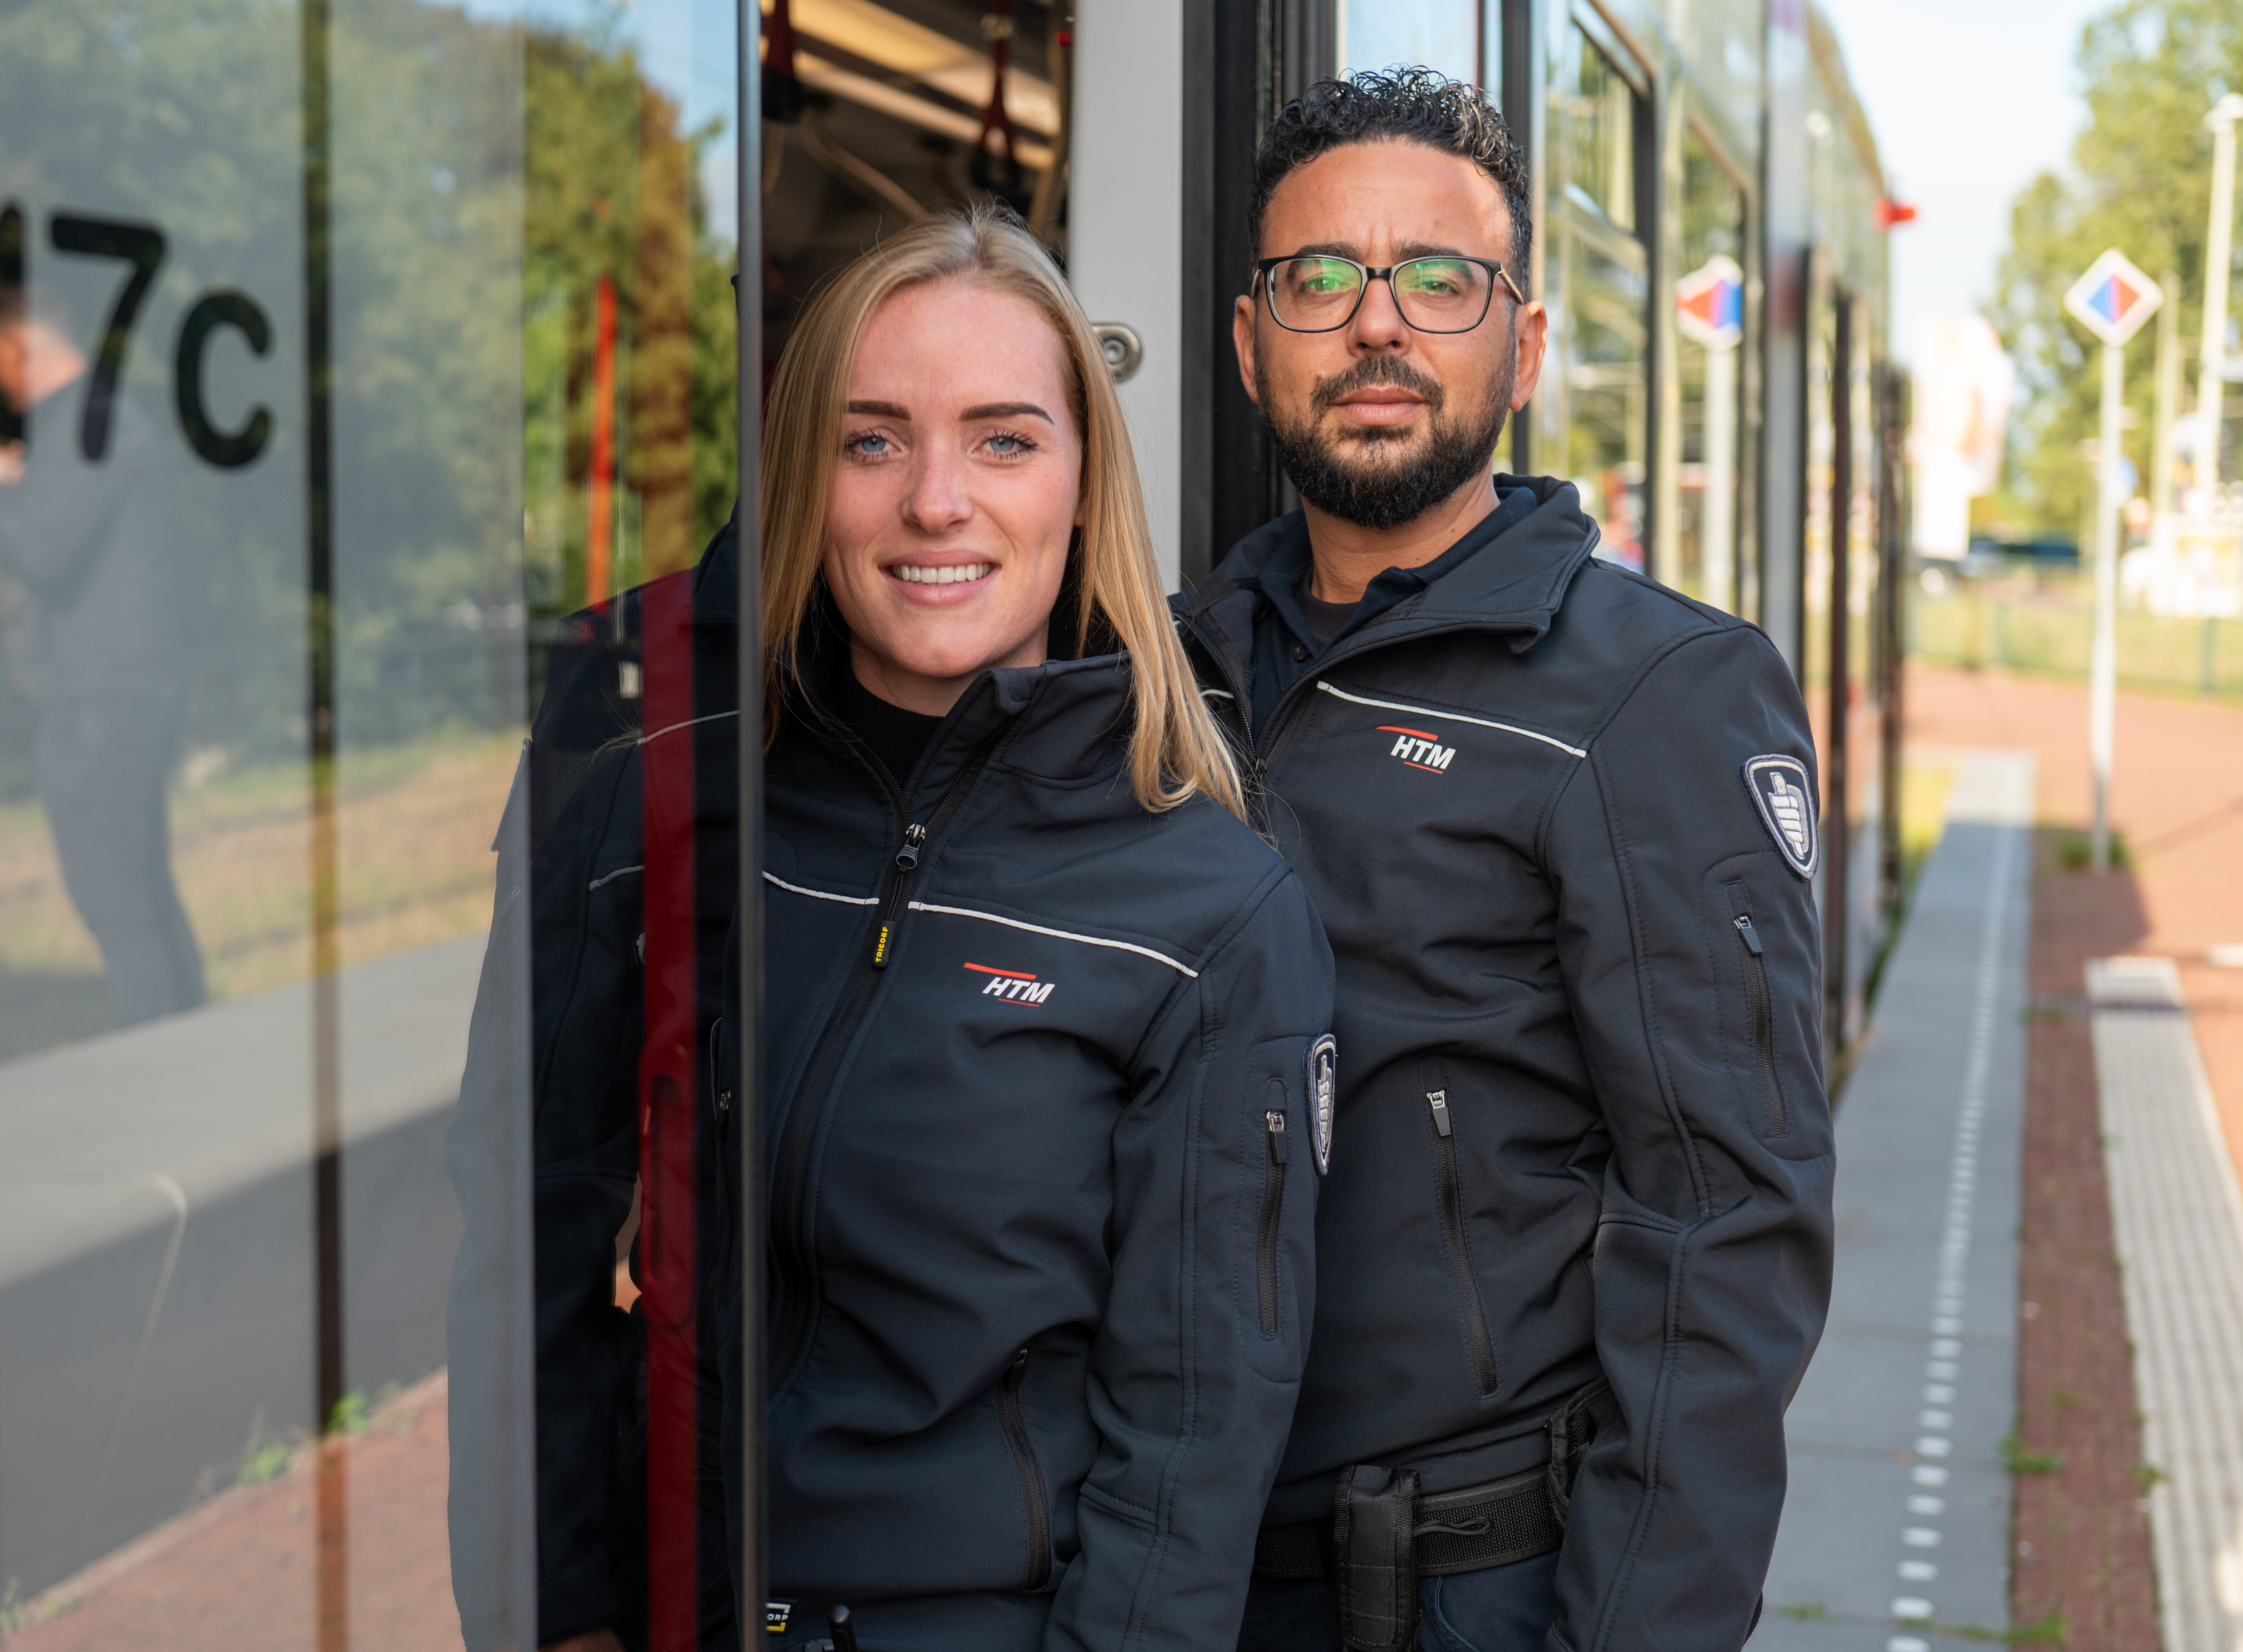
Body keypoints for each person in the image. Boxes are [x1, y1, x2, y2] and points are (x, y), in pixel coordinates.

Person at [447, 206, 1336, 1652]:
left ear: (1082, 480)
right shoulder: (694, 816)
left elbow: (1190, 1446)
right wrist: (554, 1608)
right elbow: (532, 1224)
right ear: (804, 476)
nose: (938, 500)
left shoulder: (1207, 910)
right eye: (872, 440)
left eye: (1003, 439)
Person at [1171, 70, 1834, 1652]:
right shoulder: (1167, 667)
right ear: (1255, 344)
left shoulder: (1655, 695)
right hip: (1171, 1562)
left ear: (1521, 347)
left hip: (1464, 1591)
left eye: (1441, 281)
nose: (1377, 325)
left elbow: (1727, 1228)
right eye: (1321, 279)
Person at [0, 284, 208, 1027]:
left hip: (100, 704)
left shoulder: (85, 427)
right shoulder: (97, 424)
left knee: (116, 899)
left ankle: (160, 1059)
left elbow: (42, 548)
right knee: (140, 888)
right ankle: (192, 1048)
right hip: (117, 695)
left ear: (21, 349)